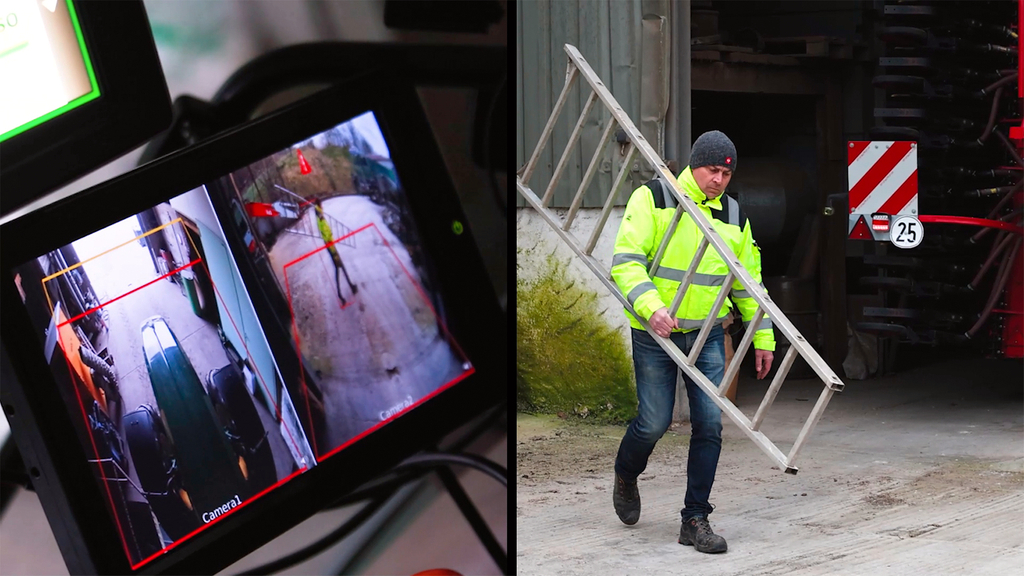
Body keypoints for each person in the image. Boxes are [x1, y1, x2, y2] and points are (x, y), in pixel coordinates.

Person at [609, 130, 775, 554]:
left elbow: (749, 283)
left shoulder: (733, 215)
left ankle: (694, 519)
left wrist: (763, 337)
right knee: (654, 422)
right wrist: (651, 308)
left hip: (708, 334)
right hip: (655, 331)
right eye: (712, 170)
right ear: (694, 165)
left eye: (726, 173)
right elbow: (626, 262)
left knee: (709, 425)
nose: (719, 180)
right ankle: (626, 474)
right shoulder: (654, 198)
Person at [314, 198, 358, 305]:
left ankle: (349, 287)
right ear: (319, 206)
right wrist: (331, 245)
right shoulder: (320, 218)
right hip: (330, 246)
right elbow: (325, 232)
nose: (323, 207)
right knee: (339, 268)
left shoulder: (319, 215)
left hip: (330, 245)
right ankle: (342, 294)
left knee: (340, 267)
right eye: (321, 205)